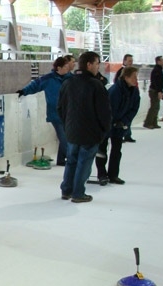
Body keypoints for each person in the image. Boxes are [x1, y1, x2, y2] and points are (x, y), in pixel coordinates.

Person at [57, 51, 112, 203]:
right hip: (90, 132)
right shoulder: (96, 85)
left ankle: (66, 190)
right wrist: (104, 130)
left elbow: (60, 108)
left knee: (71, 161)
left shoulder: (68, 83)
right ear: (89, 65)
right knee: (84, 162)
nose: (98, 67)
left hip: (72, 131)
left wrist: (67, 125)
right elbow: (104, 112)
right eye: (97, 63)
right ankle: (78, 193)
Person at [17, 57, 71, 166]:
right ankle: (72, 159)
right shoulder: (48, 79)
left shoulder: (71, 78)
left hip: (69, 113)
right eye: (65, 66)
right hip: (55, 114)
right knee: (64, 138)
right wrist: (23, 91)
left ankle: (61, 160)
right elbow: (35, 85)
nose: (68, 68)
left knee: (66, 137)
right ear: (58, 68)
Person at [96, 66, 140, 185]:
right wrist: (112, 122)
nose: (136, 80)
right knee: (102, 150)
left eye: (137, 77)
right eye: (134, 77)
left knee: (116, 150)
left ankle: (113, 175)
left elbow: (134, 108)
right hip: (106, 124)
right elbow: (108, 109)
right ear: (126, 77)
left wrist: (124, 121)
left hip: (120, 125)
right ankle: (101, 174)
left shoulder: (134, 91)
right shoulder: (115, 90)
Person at [113, 54, 137, 142]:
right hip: (123, 99)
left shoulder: (132, 72)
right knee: (122, 117)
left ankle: (127, 134)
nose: (131, 62)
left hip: (130, 98)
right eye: (129, 61)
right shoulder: (121, 72)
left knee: (128, 117)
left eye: (132, 61)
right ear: (124, 61)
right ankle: (122, 134)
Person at [143, 56, 163, 129]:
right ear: (158, 61)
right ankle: (148, 123)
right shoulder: (157, 70)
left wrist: (160, 91)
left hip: (156, 90)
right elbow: (156, 82)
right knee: (154, 107)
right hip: (154, 91)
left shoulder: (159, 70)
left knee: (156, 107)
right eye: (162, 60)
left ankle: (154, 122)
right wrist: (159, 91)